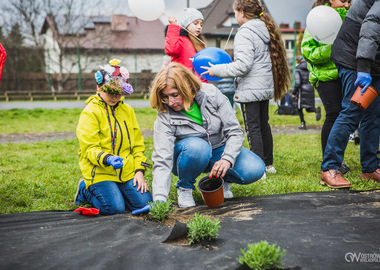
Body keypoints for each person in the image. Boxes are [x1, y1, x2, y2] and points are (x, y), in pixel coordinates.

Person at [150, 62, 265, 208]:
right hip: (189, 155)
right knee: (199, 147)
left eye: (174, 95)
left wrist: (227, 159)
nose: (170, 102)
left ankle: (220, 179)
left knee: (255, 169)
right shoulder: (165, 114)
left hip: (219, 149)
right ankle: (185, 187)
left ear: (188, 88)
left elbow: (234, 131)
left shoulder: (211, 94)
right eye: (165, 97)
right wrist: (159, 198)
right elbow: (162, 157)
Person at [201, 0, 290, 178]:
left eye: (235, 13)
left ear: (241, 12)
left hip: (250, 89)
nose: (235, 16)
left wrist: (215, 70)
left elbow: (243, 66)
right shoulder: (264, 29)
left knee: (253, 128)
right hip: (263, 88)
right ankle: (268, 165)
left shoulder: (245, 33)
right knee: (263, 126)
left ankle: (259, 169)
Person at [74, 59, 152, 215]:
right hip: (100, 171)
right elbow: (89, 148)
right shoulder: (90, 112)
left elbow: (137, 145)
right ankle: (84, 189)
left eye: (118, 92)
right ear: (98, 87)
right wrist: (107, 158)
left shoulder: (128, 110)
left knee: (145, 204)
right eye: (110, 92)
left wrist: (139, 171)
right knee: (114, 208)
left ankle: (118, 191)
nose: (115, 97)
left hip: (127, 172)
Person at [320, 0, 380, 188]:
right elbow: (372, 26)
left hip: (372, 61)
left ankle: (370, 168)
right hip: (353, 57)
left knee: (374, 114)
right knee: (352, 111)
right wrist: (363, 66)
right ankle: (329, 168)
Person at [301, 0, 351, 173]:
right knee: (334, 114)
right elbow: (307, 51)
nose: (346, 4)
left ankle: (336, 160)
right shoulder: (319, 16)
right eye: (343, 0)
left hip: (344, 74)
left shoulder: (350, 18)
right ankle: (329, 162)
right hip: (324, 77)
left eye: (349, 1)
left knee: (343, 116)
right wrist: (333, 49)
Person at [164, 8, 207, 82]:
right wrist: (173, 27)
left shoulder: (199, 43)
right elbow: (171, 50)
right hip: (182, 83)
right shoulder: (181, 40)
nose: (199, 27)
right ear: (186, 24)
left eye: (201, 24)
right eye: (195, 23)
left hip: (199, 84)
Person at [292, 57, 322, 130]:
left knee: (299, 108)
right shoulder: (310, 68)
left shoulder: (298, 70)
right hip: (310, 89)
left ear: (298, 61)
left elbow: (298, 83)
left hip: (301, 91)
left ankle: (303, 124)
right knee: (308, 108)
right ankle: (316, 110)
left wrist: (294, 93)